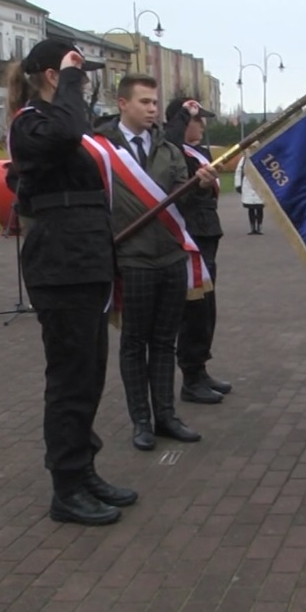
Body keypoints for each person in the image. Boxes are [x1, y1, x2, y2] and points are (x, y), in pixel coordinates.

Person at [5, 38, 135, 526]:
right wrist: (72, 84)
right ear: (51, 76)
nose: (85, 80)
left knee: (90, 374)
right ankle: (66, 487)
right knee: (70, 381)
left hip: (86, 262)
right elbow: (66, 132)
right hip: (61, 268)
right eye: (75, 71)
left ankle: (84, 471)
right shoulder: (32, 124)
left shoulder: (61, 120)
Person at [95, 74, 218, 451]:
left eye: (154, 102)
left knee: (164, 342)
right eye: (145, 102)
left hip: (170, 258)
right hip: (132, 261)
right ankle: (141, 421)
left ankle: (166, 415)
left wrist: (199, 185)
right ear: (122, 104)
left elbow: (184, 205)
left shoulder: (168, 149)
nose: (152, 109)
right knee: (135, 343)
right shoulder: (100, 149)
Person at [164, 96, 229, 403]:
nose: (202, 124)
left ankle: (200, 369)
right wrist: (178, 119)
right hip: (191, 236)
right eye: (195, 119)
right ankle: (190, 376)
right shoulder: (173, 151)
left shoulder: (198, 152)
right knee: (194, 309)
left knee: (207, 308)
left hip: (207, 233)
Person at [234, 153, 266, 234]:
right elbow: (239, 171)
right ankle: (252, 228)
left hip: (260, 184)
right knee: (251, 208)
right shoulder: (244, 159)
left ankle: (259, 227)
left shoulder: (263, 156)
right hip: (247, 184)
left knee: (259, 208)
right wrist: (238, 184)